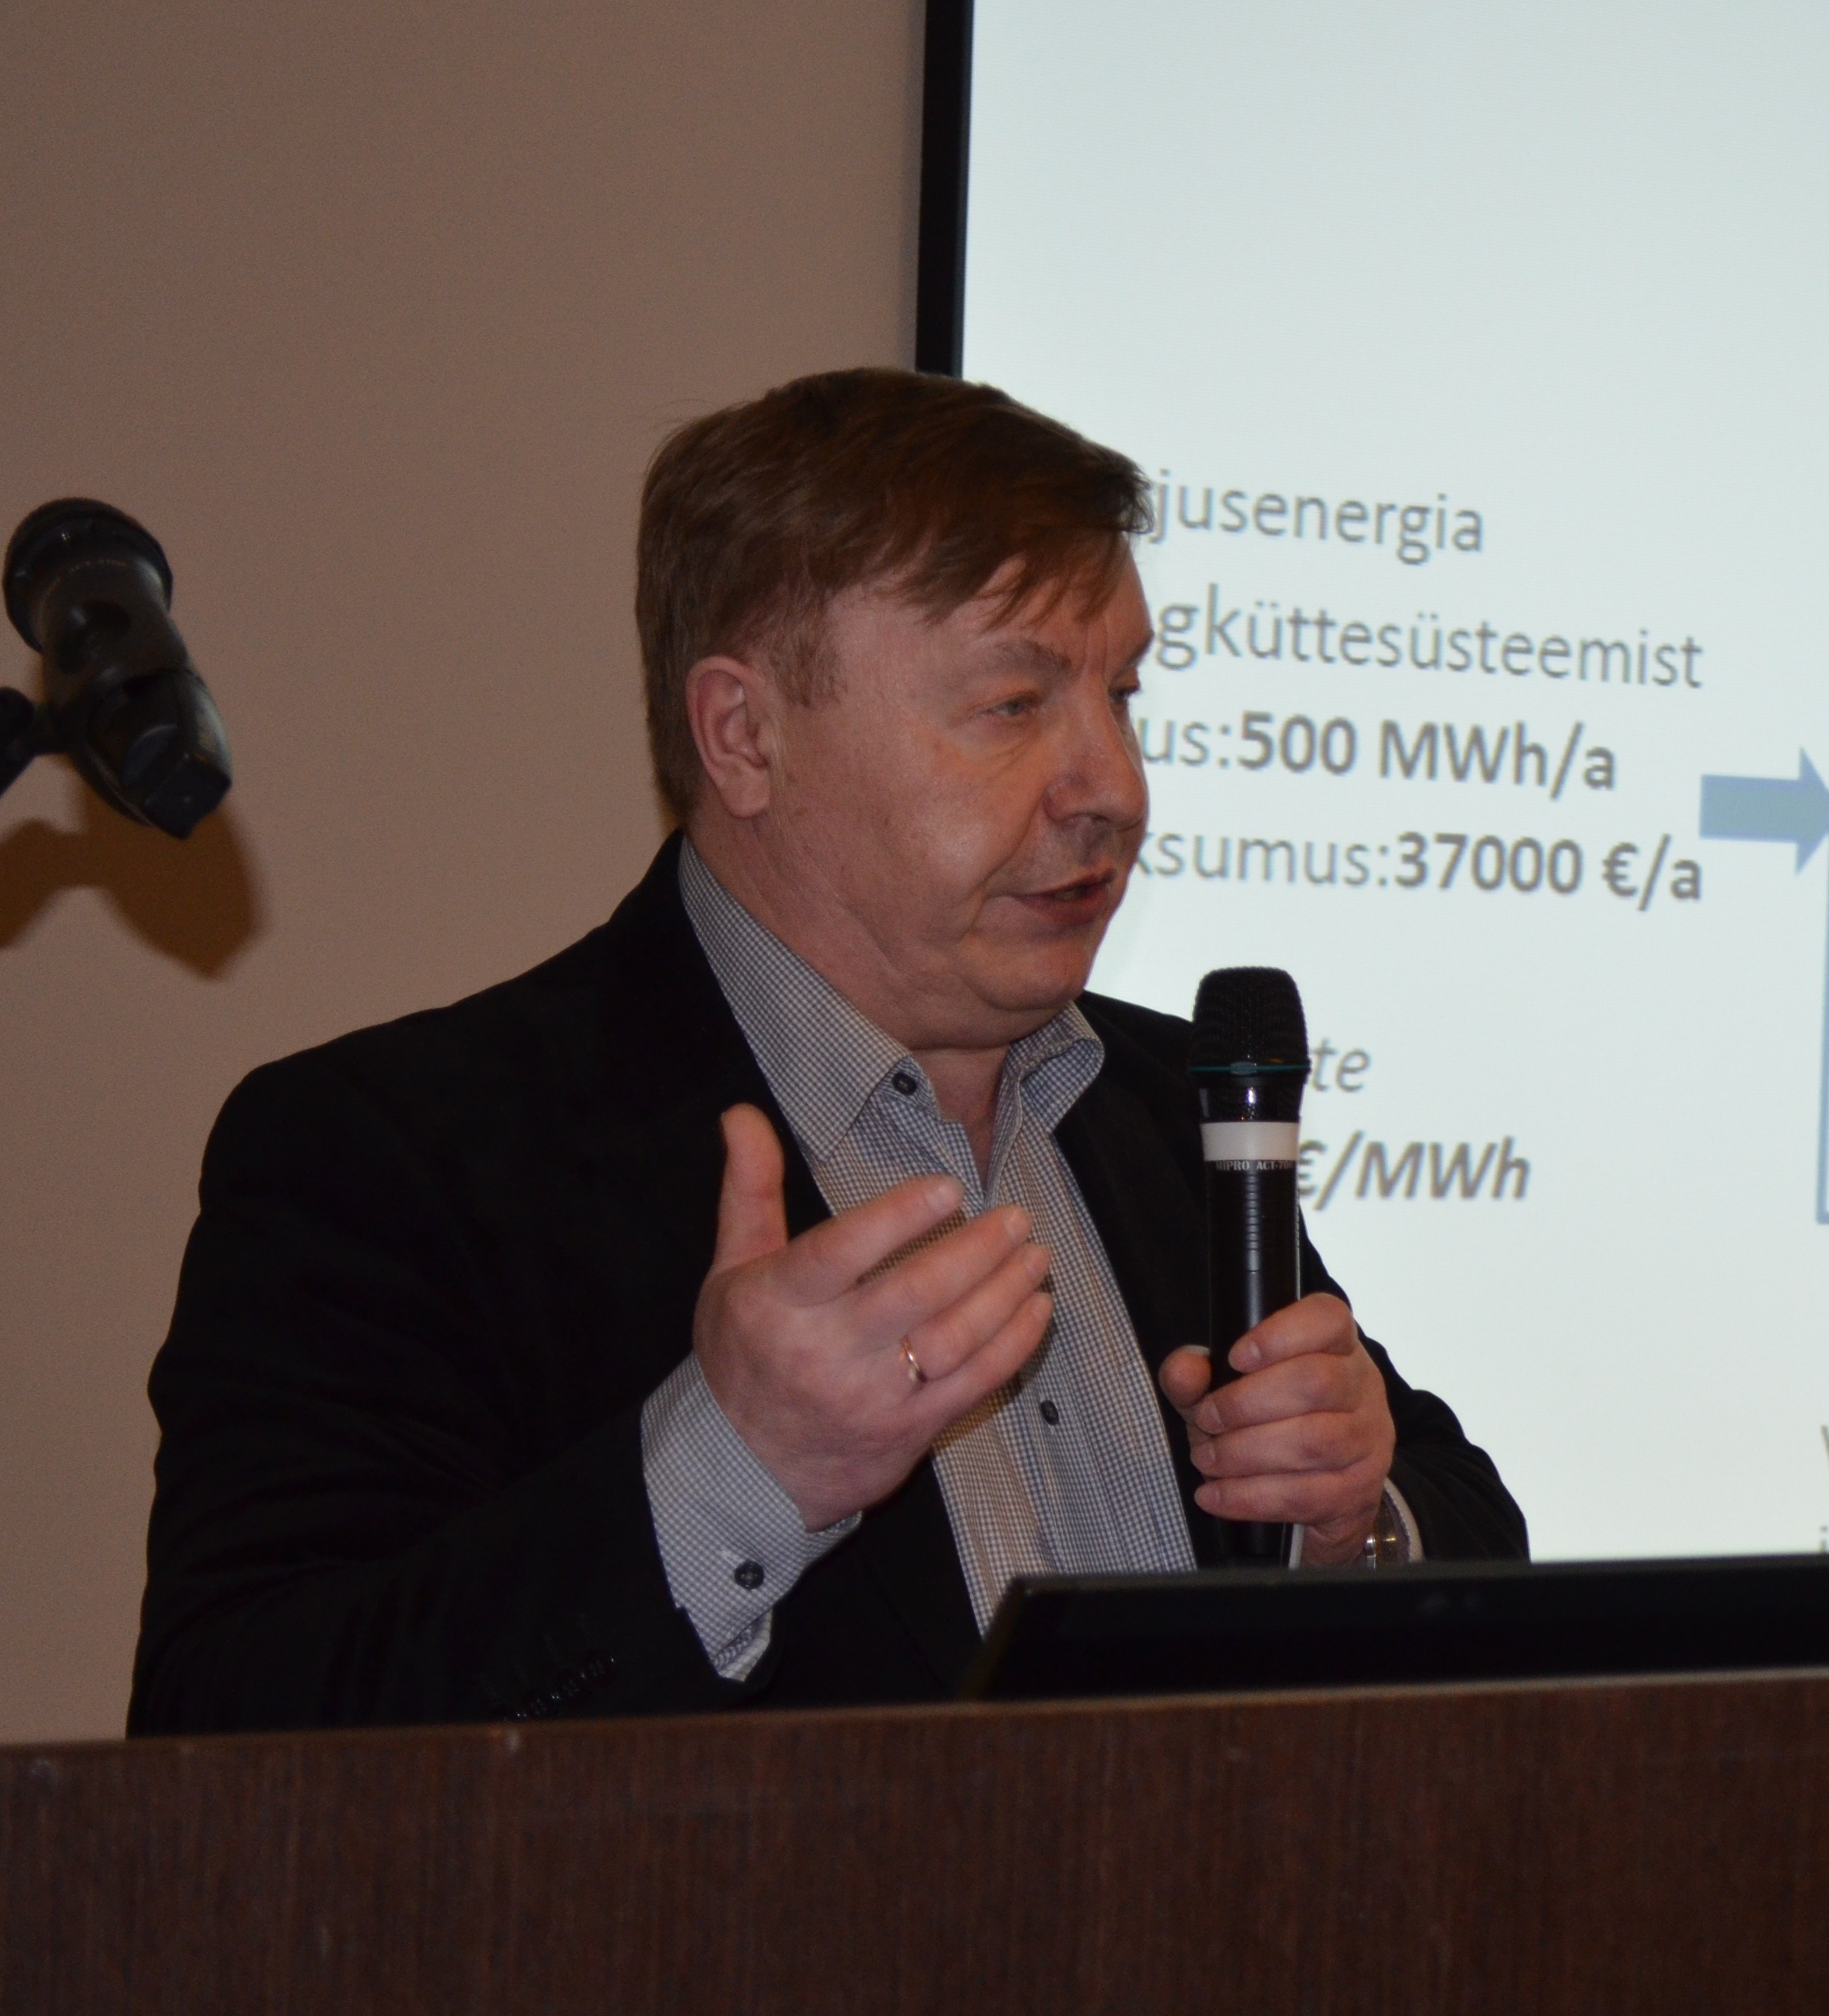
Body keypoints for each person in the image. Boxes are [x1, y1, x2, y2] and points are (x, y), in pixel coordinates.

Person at [129, 368, 1523, 1732]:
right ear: (744, 738)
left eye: (1124, 696)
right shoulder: (400, 1155)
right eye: (1015, 704)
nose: (1114, 786)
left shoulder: (1170, 1105)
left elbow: (1476, 1549)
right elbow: (236, 1733)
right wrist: (734, 1473)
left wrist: (1361, 1527)